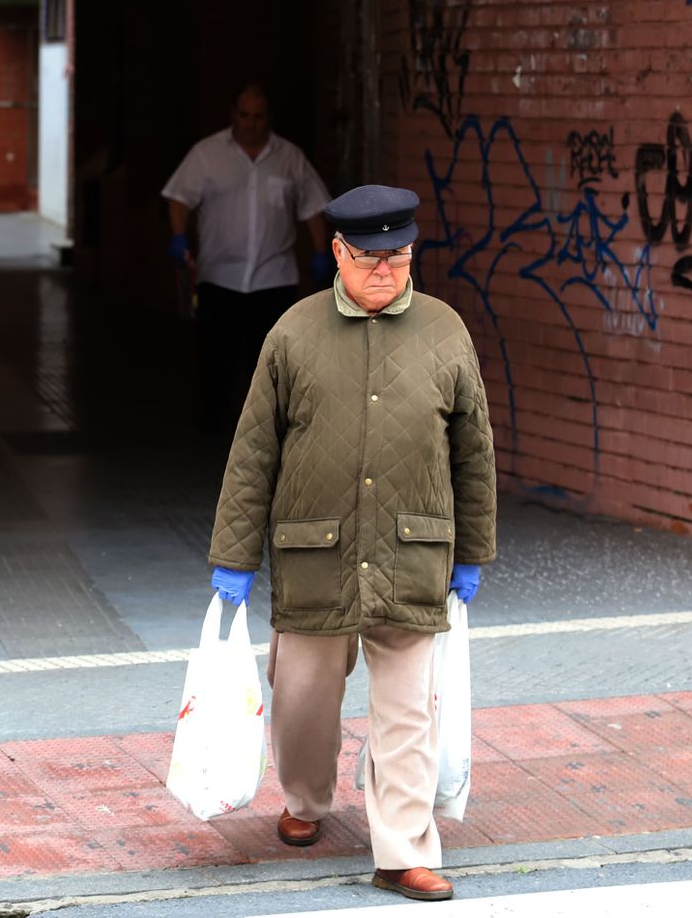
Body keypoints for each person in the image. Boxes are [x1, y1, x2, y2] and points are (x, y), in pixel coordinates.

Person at [205, 185, 497, 903]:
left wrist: (473, 552)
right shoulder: (293, 334)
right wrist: (233, 557)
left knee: (408, 711)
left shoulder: (445, 331)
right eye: (370, 258)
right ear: (337, 252)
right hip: (315, 553)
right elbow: (252, 453)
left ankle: (402, 847)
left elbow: (474, 450)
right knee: (302, 696)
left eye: (399, 257)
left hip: (412, 550)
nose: (386, 271)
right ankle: (305, 800)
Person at [161, 84, 333, 432]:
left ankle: (266, 430)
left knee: (270, 362)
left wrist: (321, 252)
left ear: (269, 118)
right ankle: (211, 426)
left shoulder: (289, 158)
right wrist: (178, 235)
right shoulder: (207, 155)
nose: (251, 123)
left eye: (258, 116)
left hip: (274, 279)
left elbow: (314, 206)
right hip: (219, 277)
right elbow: (179, 197)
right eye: (244, 115)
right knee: (215, 358)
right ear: (232, 114)